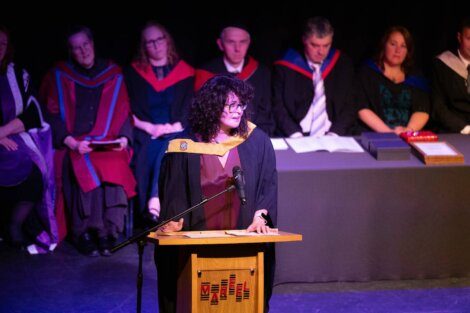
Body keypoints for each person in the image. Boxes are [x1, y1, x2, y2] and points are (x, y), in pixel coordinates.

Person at [155, 75, 277, 313]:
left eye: (240, 104)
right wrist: (171, 222)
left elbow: (268, 185)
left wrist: (261, 215)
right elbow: (174, 197)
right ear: (211, 106)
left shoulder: (256, 142)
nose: (237, 111)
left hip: (242, 242)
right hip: (197, 245)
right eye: (230, 105)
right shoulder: (183, 146)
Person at [40, 26, 136, 256]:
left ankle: (109, 231)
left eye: (85, 45)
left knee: (114, 164)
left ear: (92, 44)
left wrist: (124, 136)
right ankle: (84, 231)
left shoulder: (112, 72)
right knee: (83, 164)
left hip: (109, 141)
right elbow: (51, 111)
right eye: (76, 48)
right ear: (71, 52)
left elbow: (124, 109)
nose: (82, 51)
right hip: (77, 142)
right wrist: (70, 141)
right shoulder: (60, 75)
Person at [124, 21, 194, 223]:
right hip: (145, 131)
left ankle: (155, 202)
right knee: (157, 147)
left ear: (167, 40)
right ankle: (155, 203)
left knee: (171, 144)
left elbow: (191, 105)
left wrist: (175, 126)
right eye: (149, 42)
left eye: (159, 39)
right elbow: (125, 108)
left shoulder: (185, 72)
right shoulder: (132, 74)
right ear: (143, 47)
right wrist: (151, 127)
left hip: (177, 129)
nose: (155, 45)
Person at [0, 26, 57, 254]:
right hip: (5, 139)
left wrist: (2, 132)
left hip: (14, 138)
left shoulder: (17, 74)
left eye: (2, 43)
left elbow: (33, 113)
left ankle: (14, 226)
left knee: (35, 173)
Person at [272, 16, 356, 137]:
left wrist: (335, 134)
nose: (321, 51)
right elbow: (278, 106)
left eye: (326, 45)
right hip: (296, 136)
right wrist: (295, 134)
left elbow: (350, 105)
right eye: (315, 45)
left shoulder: (342, 64)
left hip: (335, 135)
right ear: (304, 40)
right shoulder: (286, 66)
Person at [194, 22, 275, 135]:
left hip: (254, 136)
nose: (237, 48)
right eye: (231, 42)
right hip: (217, 138)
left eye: (242, 42)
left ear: (249, 43)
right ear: (220, 44)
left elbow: (266, 114)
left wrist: (258, 138)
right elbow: (203, 114)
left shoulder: (262, 73)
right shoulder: (206, 74)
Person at [355, 26, 430, 134]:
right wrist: (389, 133)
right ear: (384, 45)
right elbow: (361, 108)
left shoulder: (415, 77)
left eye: (403, 46)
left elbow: (422, 109)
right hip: (375, 135)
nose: (398, 50)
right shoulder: (367, 73)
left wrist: (408, 131)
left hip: (407, 136)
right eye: (393, 44)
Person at [431, 17, 470, 134]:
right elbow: (438, 106)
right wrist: (464, 128)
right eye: (469, 38)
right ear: (459, 37)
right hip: (452, 130)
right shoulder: (442, 64)